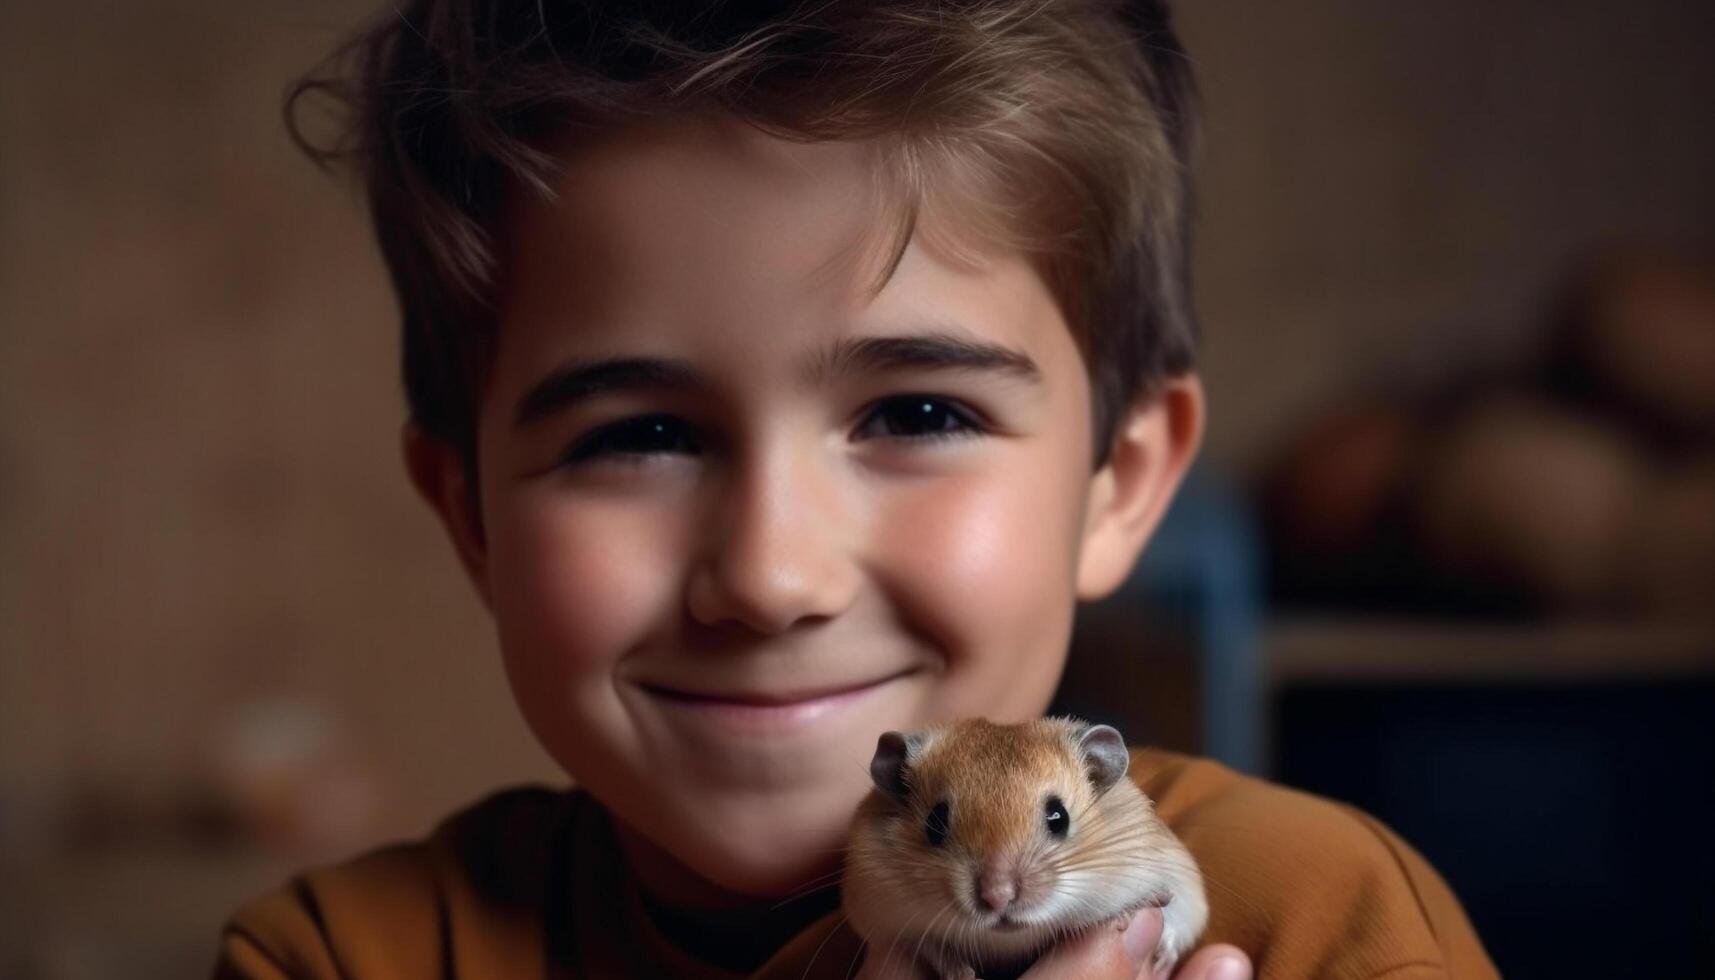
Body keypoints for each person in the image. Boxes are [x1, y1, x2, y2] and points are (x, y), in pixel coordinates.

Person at [214, 1, 1497, 977]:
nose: (773, 574)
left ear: (1123, 482)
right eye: (641, 432)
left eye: (918, 411)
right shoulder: (337, 955)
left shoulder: (1322, 924)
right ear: (469, 514)